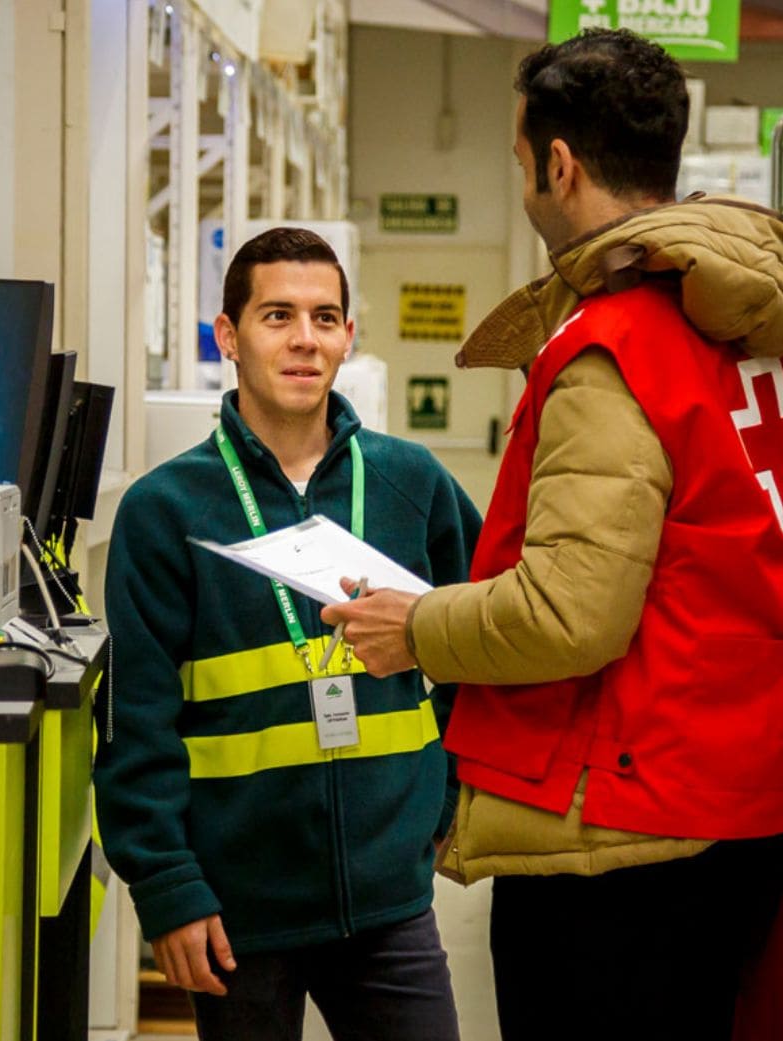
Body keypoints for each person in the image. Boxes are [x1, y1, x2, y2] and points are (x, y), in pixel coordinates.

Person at [321, 29, 783, 1039]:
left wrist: (416, 626)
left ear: (558, 165)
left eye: (519, 163)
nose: (523, 183)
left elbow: (571, 616)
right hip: (755, 794)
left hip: (625, 823)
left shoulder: (615, 348)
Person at [94, 227, 479, 1040]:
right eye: (277, 315)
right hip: (238, 916)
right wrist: (168, 886)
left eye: (325, 316)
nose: (306, 338)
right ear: (228, 337)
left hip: (390, 902)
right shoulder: (167, 512)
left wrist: (443, 794)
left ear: (348, 336)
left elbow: (483, 638)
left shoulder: (414, 484)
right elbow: (139, 724)